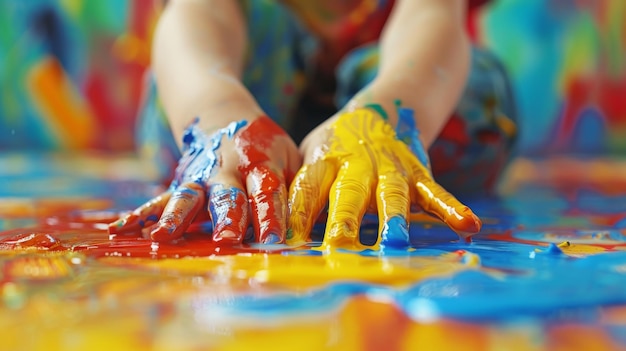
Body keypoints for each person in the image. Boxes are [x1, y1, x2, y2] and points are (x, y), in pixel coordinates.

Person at [109, 0, 517, 251]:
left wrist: (382, 118)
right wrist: (217, 118)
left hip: (396, 99)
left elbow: (432, 13)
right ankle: (228, 165)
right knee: (191, 78)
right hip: (234, 95)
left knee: (478, 94)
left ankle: (378, 155)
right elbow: (197, 14)